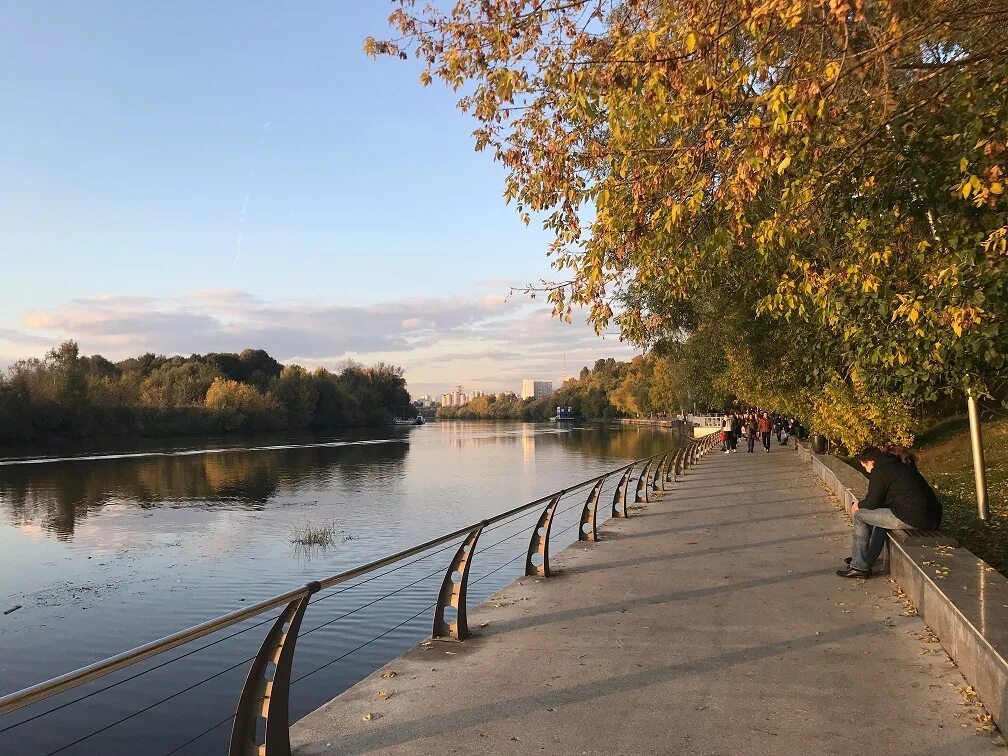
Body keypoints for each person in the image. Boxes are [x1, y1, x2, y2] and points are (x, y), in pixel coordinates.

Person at [837, 446, 943, 578]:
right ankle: (864, 561)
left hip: (915, 517)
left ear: (870, 462)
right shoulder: (898, 466)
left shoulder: (879, 470)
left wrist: (858, 505)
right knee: (881, 522)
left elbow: (872, 502)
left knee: (860, 516)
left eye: (865, 467)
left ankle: (858, 567)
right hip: (931, 516)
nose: (867, 471)